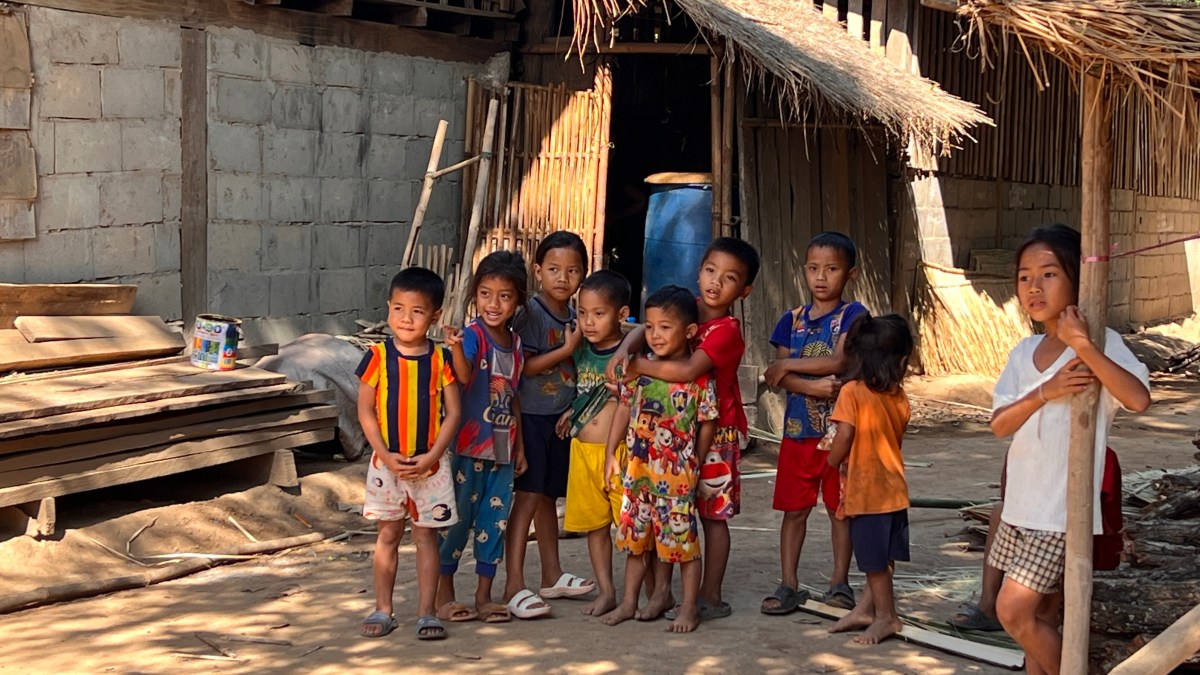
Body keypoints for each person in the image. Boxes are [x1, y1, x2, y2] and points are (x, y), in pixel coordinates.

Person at [988, 224, 1150, 675]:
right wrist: (1046, 391)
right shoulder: (1024, 352)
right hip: (1022, 507)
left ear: (1077, 279)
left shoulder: (1103, 343)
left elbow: (1138, 399)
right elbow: (1000, 424)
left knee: (1013, 611)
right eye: (1024, 276)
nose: (1033, 287)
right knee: (1038, 620)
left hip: (1060, 513)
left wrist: (1083, 345)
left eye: (1048, 274)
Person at [606, 237, 759, 621]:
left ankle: (709, 593)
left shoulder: (726, 331)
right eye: (710, 271)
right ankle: (661, 593)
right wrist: (625, 349)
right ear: (699, 270)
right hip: (668, 435)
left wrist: (638, 366)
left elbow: (690, 371)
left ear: (744, 290)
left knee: (712, 516)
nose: (715, 282)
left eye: (729, 278)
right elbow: (647, 325)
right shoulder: (685, 307)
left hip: (713, 435)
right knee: (669, 512)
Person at [599, 286, 718, 633]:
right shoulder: (638, 369)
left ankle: (689, 609)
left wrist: (694, 459)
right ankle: (628, 602)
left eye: (665, 327)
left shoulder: (698, 377)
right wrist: (611, 453)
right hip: (637, 473)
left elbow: (707, 421)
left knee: (682, 544)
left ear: (690, 332)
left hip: (677, 475)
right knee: (636, 545)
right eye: (649, 327)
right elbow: (623, 409)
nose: (655, 335)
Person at [761, 232, 867, 614]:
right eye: (813, 268)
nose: (821, 277)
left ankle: (840, 583)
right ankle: (789, 583)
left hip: (841, 433)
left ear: (850, 274)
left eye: (832, 269)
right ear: (804, 270)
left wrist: (788, 365)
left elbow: (839, 362)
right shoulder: (790, 320)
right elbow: (775, 376)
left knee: (840, 509)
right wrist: (812, 386)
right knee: (795, 510)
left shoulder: (853, 316)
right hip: (798, 432)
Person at [357, 267, 462, 640]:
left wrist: (434, 455)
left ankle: (426, 613)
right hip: (387, 465)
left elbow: (454, 413)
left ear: (434, 315)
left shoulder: (440, 359)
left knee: (425, 539)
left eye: (417, 311)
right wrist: (384, 454)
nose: (406, 318)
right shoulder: (377, 356)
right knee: (387, 536)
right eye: (398, 308)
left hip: (430, 467)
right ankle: (383, 609)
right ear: (388, 308)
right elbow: (365, 411)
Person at [435, 250, 529, 625]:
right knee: (457, 522)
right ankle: (445, 594)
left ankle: (484, 596)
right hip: (465, 448)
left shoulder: (517, 344)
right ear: (475, 294)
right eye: (486, 293)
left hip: (503, 453)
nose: (494, 303)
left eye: (504, 296)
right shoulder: (473, 337)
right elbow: (462, 374)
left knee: (494, 525)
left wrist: (520, 446)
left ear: (518, 300)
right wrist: (456, 347)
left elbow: (515, 396)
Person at [504, 232, 595, 619]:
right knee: (526, 498)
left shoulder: (577, 316)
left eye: (573, 270)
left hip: (558, 419)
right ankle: (513, 585)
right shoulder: (531, 314)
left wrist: (573, 410)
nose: (563, 277)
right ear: (538, 271)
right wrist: (566, 349)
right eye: (554, 269)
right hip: (530, 418)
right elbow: (521, 368)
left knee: (547, 498)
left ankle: (552, 574)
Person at [824, 314, 914, 645]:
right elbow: (897, 437)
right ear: (901, 361)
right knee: (884, 556)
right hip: (894, 489)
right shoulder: (899, 396)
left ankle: (886, 617)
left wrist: (831, 462)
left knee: (873, 562)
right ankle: (865, 608)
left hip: (867, 490)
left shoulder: (852, 392)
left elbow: (844, 435)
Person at [556, 270, 633, 617]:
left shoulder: (631, 353)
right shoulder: (580, 349)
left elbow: (645, 328)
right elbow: (581, 390)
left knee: (632, 525)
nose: (588, 322)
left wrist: (629, 346)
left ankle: (640, 591)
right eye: (582, 313)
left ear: (621, 314)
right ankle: (607, 590)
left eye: (598, 314)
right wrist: (571, 412)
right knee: (595, 526)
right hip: (582, 451)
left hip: (621, 454)